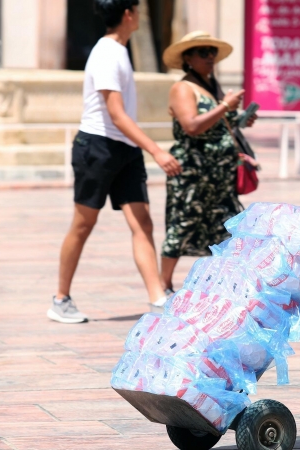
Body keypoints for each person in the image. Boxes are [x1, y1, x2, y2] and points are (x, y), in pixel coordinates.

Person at [47, 0, 181, 323]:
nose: (137, 13)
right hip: (97, 148)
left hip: (124, 151)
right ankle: (60, 299)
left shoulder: (120, 49)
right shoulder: (106, 53)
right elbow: (117, 115)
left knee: (142, 223)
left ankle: (157, 297)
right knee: (83, 224)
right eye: (136, 8)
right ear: (127, 14)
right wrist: (156, 150)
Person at [158, 31, 257, 300]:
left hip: (219, 175)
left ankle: (227, 283)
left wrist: (239, 119)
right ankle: (162, 286)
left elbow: (216, 126)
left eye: (212, 52)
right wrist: (225, 105)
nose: (210, 57)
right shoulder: (183, 87)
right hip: (192, 173)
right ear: (188, 58)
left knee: (226, 225)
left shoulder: (210, 86)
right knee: (182, 225)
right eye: (203, 52)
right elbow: (191, 126)